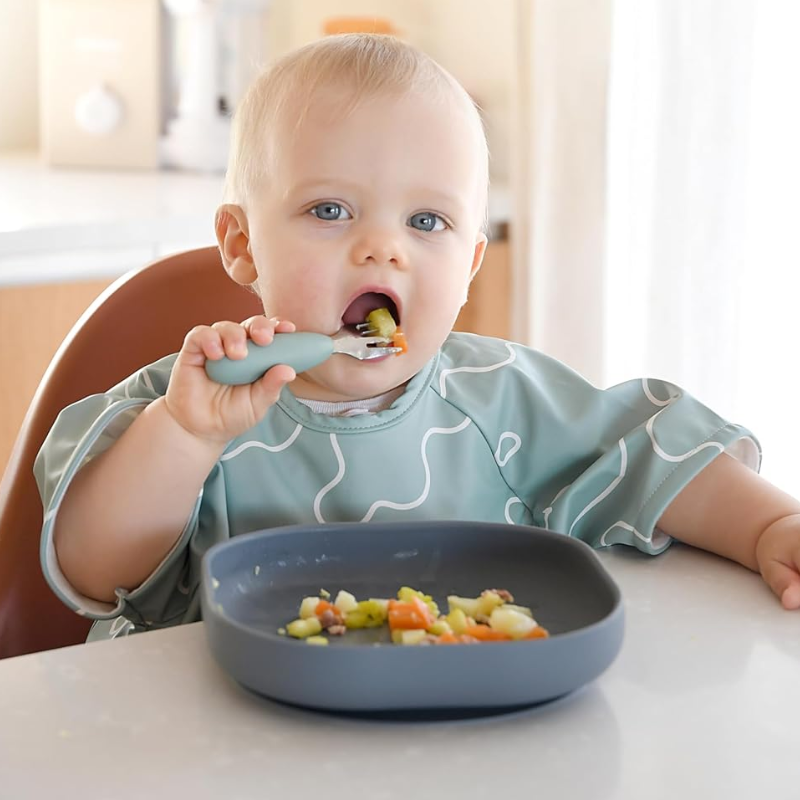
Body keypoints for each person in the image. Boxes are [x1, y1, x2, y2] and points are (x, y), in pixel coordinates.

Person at [35, 34, 800, 641]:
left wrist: (771, 524)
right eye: (331, 210)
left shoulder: (503, 402)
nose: (383, 249)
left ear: (469, 265)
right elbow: (96, 578)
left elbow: (651, 456)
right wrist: (183, 437)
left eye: (426, 222)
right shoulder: (183, 405)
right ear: (240, 243)